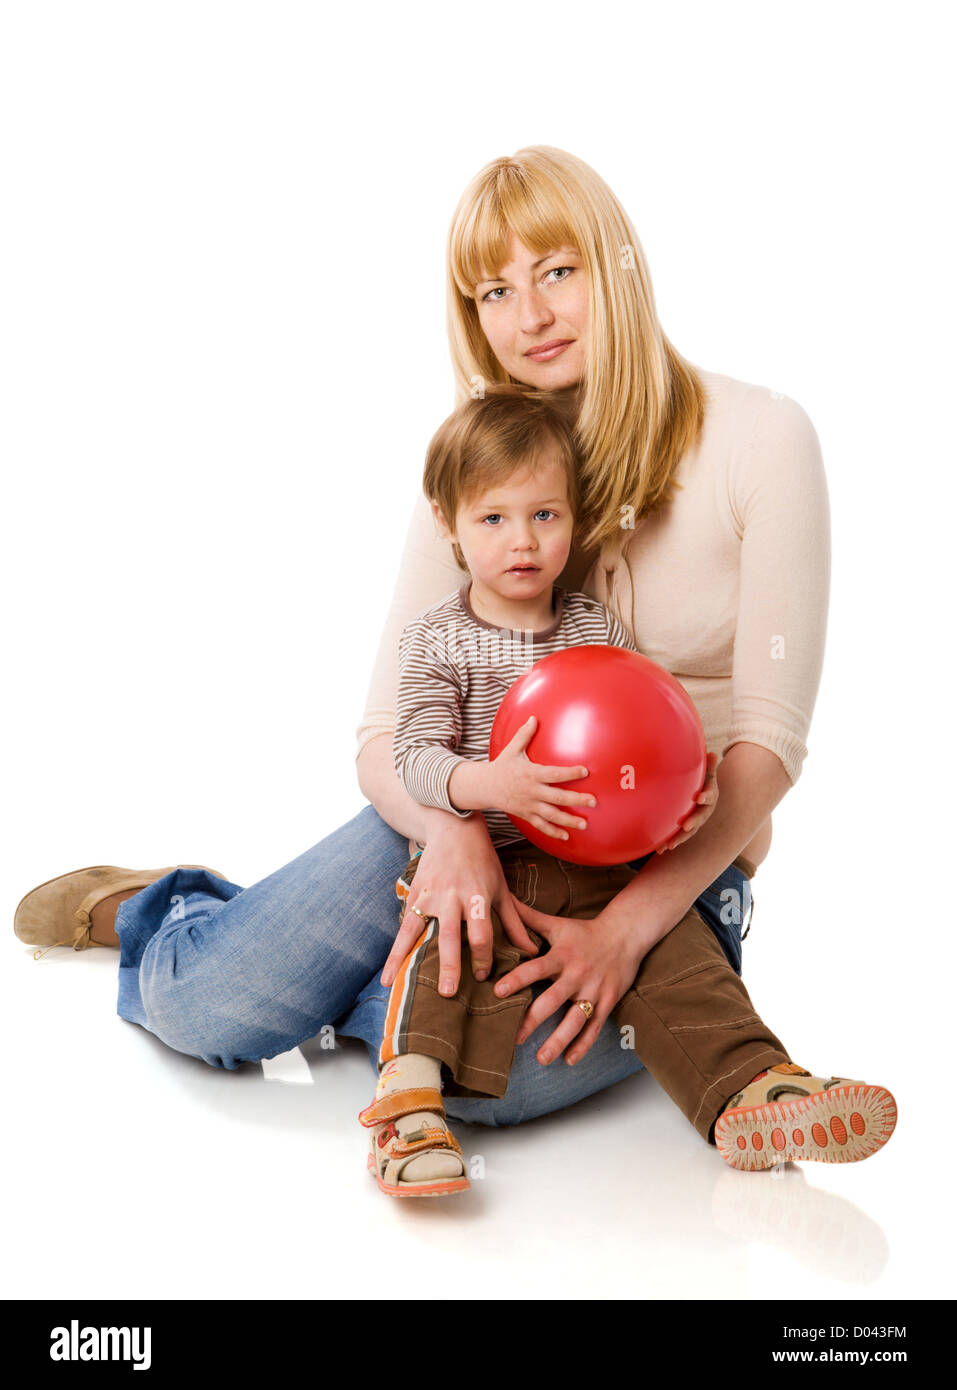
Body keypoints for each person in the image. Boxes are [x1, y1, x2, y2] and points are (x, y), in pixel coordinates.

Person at [11, 144, 895, 1151]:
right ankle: (156, 912)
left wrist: (626, 929)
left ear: (619, 265)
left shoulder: (763, 438)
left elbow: (770, 745)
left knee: (492, 1088)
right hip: (467, 813)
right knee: (214, 1004)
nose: (533, 317)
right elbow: (385, 732)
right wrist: (458, 830)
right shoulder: (480, 464)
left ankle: (374, 996)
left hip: (665, 865)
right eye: (495, 290)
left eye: (558, 271)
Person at [357, 385, 896, 1196]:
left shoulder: (591, 629)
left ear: (574, 520)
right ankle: (407, 1110)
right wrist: (485, 787)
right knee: (447, 950)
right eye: (493, 519)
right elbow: (414, 755)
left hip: (602, 859)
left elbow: (639, 737)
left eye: (545, 516)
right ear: (448, 524)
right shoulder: (440, 636)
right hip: (492, 862)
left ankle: (754, 1087)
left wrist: (683, 801)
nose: (523, 542)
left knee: (676, 952)